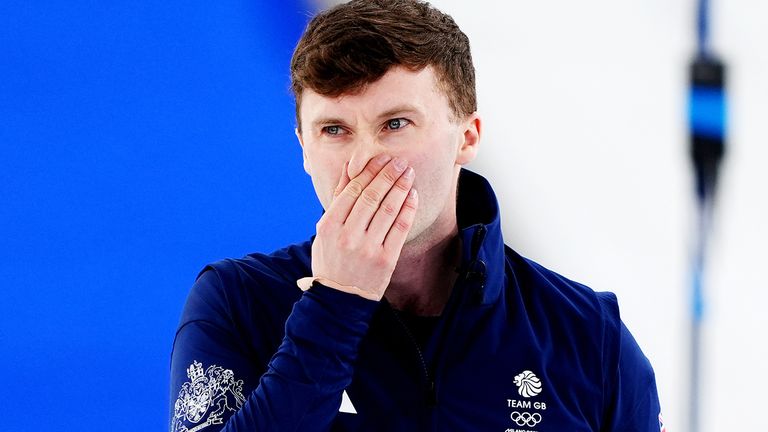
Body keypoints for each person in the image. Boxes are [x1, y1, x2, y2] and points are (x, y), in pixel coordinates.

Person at [169, 0, 662, 431]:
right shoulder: (238, 304)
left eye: (396, 123)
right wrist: (337, 304)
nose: (364, 160)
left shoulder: (589, 336)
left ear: (467, 137)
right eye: (335, 130)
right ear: (303, 148)